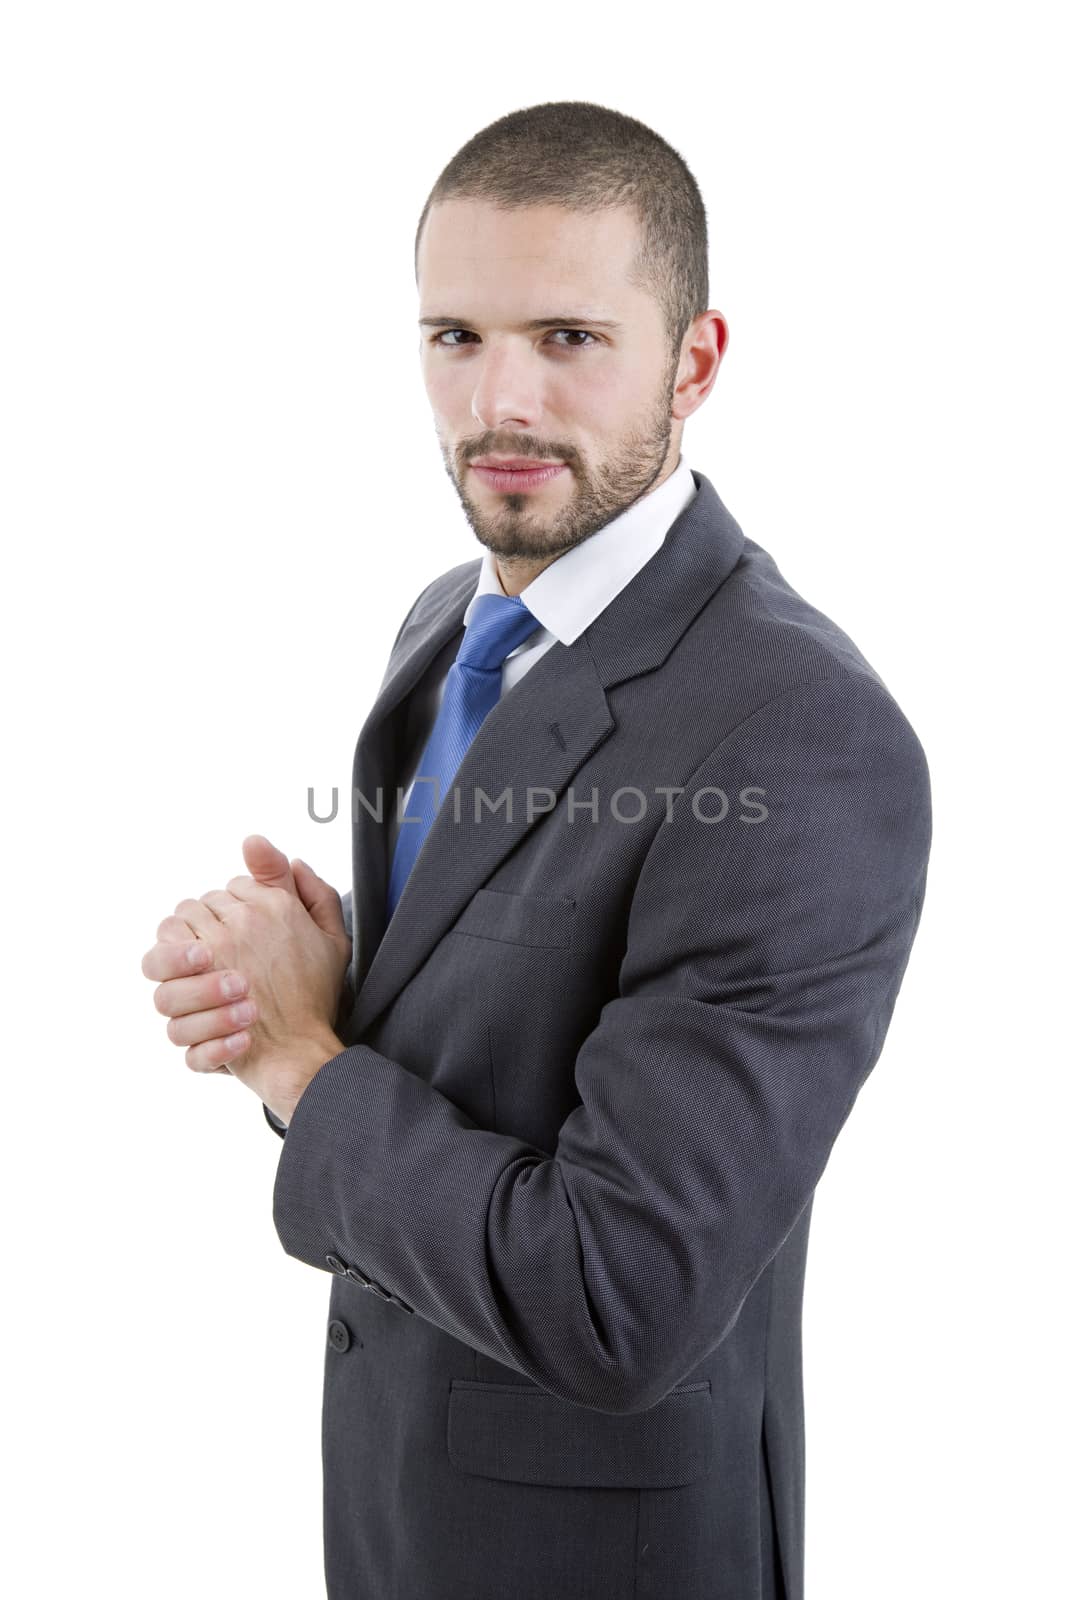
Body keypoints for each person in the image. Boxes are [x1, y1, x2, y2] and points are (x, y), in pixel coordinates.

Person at [141, 100, 933, 1600]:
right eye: (455, 337)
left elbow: (617, 1294)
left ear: (693, 363)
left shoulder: (799, 735)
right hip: (401, 1519)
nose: (498, 399)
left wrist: (309, 1069)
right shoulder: (450, 622)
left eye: (568, 337)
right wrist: (298, 997)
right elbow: (474, 1047)